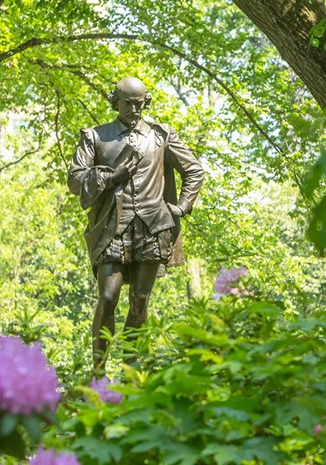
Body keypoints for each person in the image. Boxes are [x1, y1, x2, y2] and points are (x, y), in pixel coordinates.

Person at [68, 77, 204, 375]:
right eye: (127, 103)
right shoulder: (96, 136)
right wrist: (111, 176)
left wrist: (181, 206)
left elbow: (194, 170)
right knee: (107, 297)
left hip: (153, 228)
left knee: (140, 301)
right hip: (111, 229)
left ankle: (131, 372)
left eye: (139, 103)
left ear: (146, 101)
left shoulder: (161, 135)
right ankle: (98, 372)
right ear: (114, 101)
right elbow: (76, 180)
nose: (134, 109)